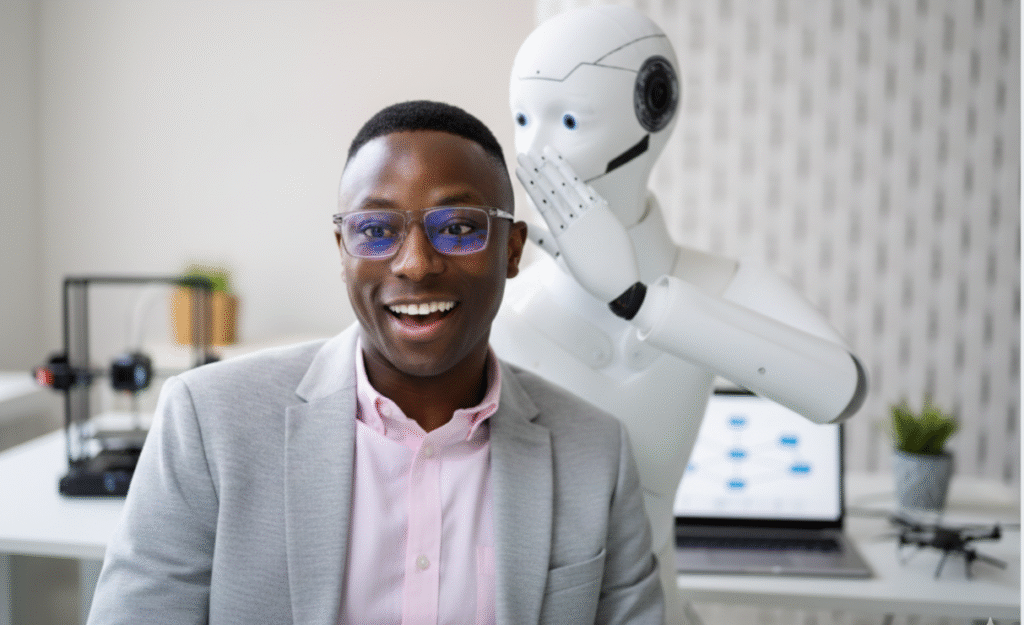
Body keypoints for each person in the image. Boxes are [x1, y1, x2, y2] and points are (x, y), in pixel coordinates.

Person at [86, 100, 664, 625]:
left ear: (510, 251)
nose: (415, 264)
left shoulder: (596, 454)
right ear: (343, 251)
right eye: (377, 230)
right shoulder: (208, 424)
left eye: (458, 227)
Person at [490, 6, 867, 622]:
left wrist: (639, 297)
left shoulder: (722, 284)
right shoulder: (500, 310)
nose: (534, 154)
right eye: (524, 120)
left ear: (654, 106)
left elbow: (841, 389)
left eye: (568, 121)